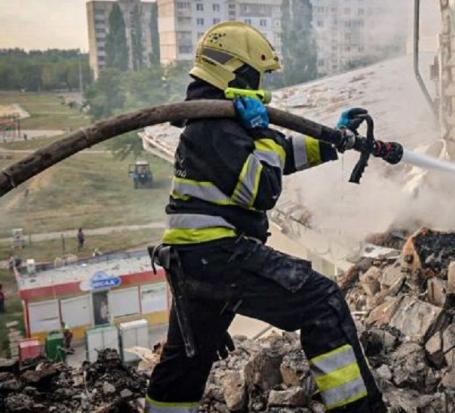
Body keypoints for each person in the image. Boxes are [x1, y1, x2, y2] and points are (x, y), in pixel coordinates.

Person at [144, 22, 386, 413]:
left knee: (184, 366)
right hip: (217, 255)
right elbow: (264, 188)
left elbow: (278, 154)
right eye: (257, 73)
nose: (261, 82)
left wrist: (332, 141)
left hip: (193, 262)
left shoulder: (219, 122)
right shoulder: (214, 127)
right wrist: (260, 132)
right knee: (323, 302)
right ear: (235, 72)